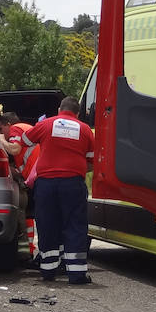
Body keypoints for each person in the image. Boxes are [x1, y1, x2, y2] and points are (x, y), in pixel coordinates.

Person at [21, 96, 95, 284]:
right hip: (73, 183)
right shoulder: (85, 129)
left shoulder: (46, 124)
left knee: (47, 224)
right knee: (75, 225)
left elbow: (25, 140)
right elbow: (91, 161)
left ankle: (48, 271)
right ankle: (77, 274)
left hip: (46, 184)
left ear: (59, 109)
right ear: (77, 113)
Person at [0, 112, 41, 260]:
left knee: (40, 217)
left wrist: (0, 139)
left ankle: (33, 253)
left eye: (1, 129)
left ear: (8, 124)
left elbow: (14, 149)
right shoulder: (26, 130)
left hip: (39, 178)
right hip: (38, 178)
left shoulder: (16, 128)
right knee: (31, 216)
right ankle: (30, 251)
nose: (2, 133)